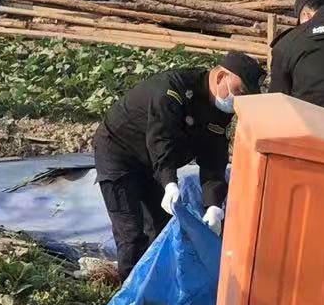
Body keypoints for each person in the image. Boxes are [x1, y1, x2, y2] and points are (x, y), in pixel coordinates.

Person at [92, 52, 263, 275]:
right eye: (239, 92)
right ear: (221, 77)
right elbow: (160, 139)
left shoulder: (219, 109)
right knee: (131, 233)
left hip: (152, 162)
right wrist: (169, 183)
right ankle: (130, 293)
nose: (237, 101)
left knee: (161, 228)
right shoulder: (172, 90)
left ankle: (156, 286)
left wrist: (213, 204)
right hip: (119, 152)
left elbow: (213, 158)